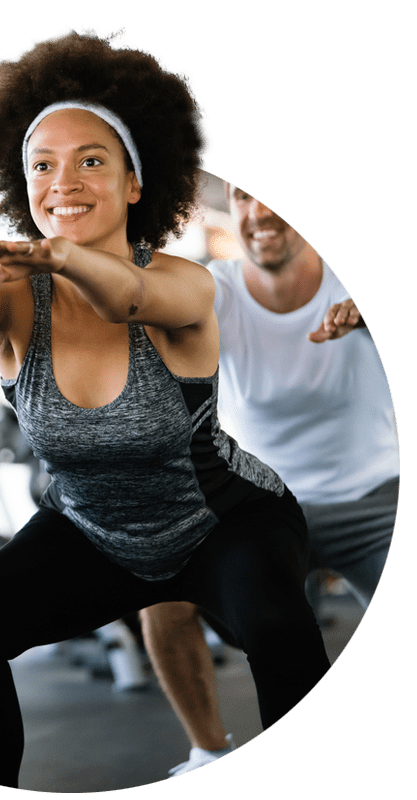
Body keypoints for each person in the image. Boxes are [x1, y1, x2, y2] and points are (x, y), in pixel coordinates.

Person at [0, 30, 330, 789]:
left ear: (135, 184)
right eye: (42, 165)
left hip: (223, 520)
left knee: (277, 626)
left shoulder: (184, 283)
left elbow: (134, 296)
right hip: (90, 530)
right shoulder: (14, 292)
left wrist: (72, 258)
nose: (61, 181)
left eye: (90, 160)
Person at [139, 181, 400, 775]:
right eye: (243, 195)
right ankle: (207, 752)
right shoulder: (215, 290)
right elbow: (142, 301)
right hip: (262, 503)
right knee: (161, 591)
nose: (260, 212)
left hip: (374, 501)